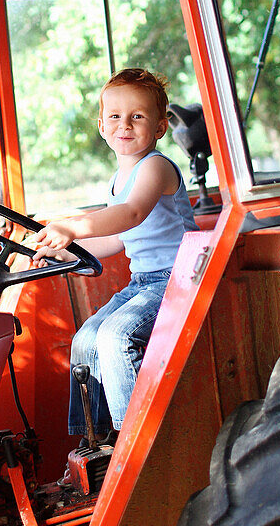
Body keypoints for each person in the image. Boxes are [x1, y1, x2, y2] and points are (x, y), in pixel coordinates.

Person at [32, 67, 199, 442]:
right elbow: (119, 239)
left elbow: (131, 213)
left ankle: (135, 440)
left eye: (137, 116)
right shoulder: (117, 178)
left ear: (158, 128)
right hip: (143, 282)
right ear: (102, 126)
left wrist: (72, 226)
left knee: (116, 336)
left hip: (178, 278)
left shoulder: (155, 167)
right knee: (85, 339)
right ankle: (94, 439)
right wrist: (66, 253)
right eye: (115, 117)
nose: (124, 124)